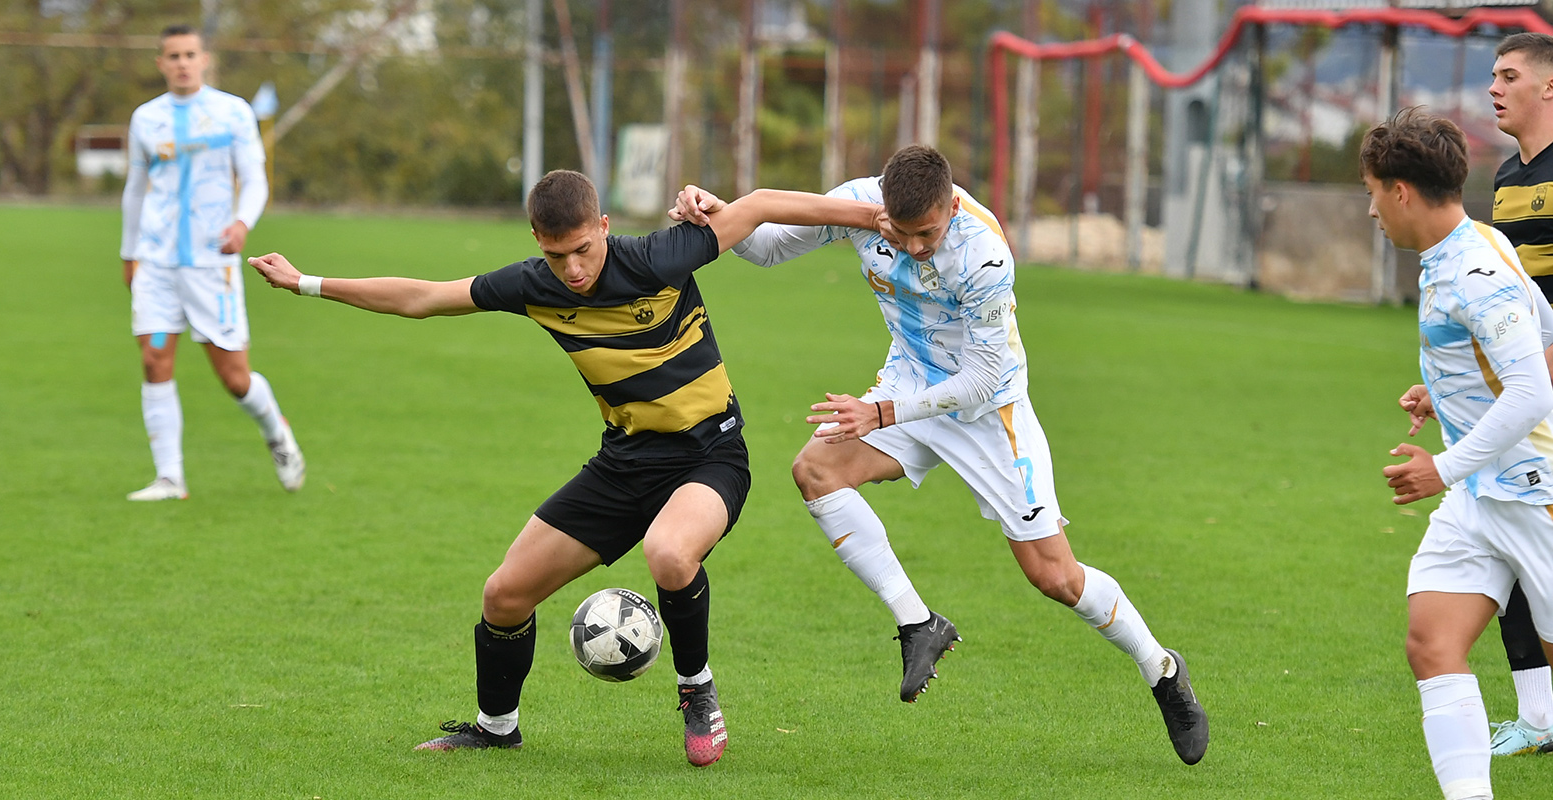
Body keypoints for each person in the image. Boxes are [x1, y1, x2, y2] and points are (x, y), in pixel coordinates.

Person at [248, 170, 881, 766]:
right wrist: (307, 283)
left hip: (710, 455)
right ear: (537, 245)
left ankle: (697, 691)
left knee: (668, 552)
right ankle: (496, 729)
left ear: (604, 226)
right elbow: (424, 297)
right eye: (557, 256)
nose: (572, 269)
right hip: (624, 462)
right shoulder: (534, 284)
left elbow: (763, 204)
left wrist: (875, 218)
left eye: (582, 249)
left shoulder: (659, 258)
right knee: (504, 595)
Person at [669, 145, 1209, 766]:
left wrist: (881, 414)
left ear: (951, 207)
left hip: (988, 412)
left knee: (1054, 576)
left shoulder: (984, 254)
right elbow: (764, 247)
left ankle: (1162, 669)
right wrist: (716, 214)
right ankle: (917, 624)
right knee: (815, 470)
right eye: (901, 233)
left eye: (927, 233)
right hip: (909, 379)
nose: (915, 247)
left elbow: (982, 377)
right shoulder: (858, 206)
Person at [1370, 107, 1553, 800]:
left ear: (1401, 192)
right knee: (1432, 644)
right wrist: (1450, 391)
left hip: (1537, 494)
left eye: (1371, 192)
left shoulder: (1474, 267)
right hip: (1482, 497)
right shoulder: (1469, 245)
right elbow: (1541, 328)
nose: (1371, 210)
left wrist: (1441, 465)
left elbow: (1531, 391)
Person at [120, 23, 303, 501]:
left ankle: (276, 431)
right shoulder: (147, 118)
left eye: (189, 54)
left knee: (234, 377)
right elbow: (135, 192)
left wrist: (241, 223)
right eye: (172, 56)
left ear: (204, 60)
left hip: (210, 266)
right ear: (160, 64)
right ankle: (169, 477)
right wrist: (128, 252)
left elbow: (255, 179)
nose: (181, 62)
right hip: (156, 263)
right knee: (155, 358)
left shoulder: (231, 113)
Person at [1485, 30, 1553, 756]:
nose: (1494, 88)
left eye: (1508, 75)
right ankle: (1538, 719)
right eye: (1493, 76)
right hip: (1524, 398)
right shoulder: (1506, 178)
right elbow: (1511, 304)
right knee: (1506, 545)